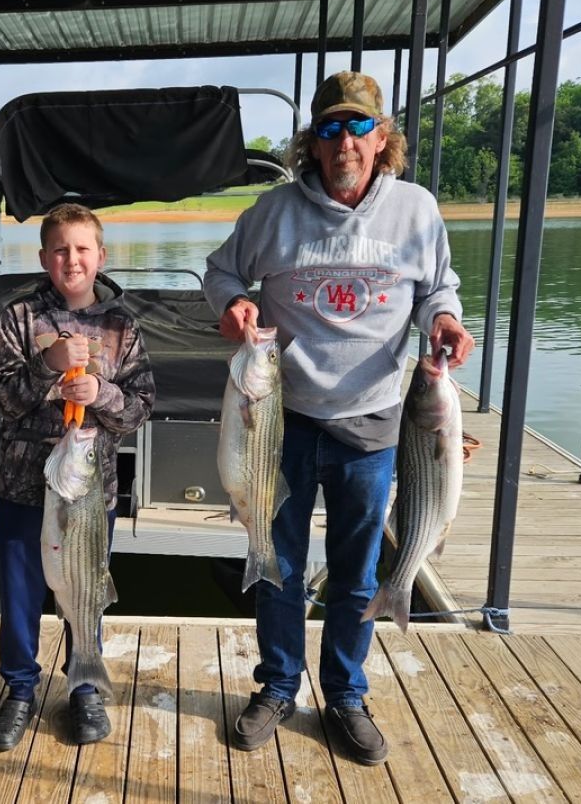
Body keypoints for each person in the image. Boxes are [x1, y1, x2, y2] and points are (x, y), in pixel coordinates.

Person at [202, 71, 474, 764]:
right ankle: (278, 685)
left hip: (375, 422)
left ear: (382, 140)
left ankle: (346, 694)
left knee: (357, 572)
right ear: (312, 143)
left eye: (358, 128)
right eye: (330, 129)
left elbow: (439, 287)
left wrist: (444, 318)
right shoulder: (274, 212)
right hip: (282, 420)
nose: (345, 141)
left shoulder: (416, 210)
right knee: (278, 564)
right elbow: (221, 272)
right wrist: (232, 305)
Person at [0, 203, 155, 750]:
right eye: (60, 249)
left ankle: (84, 685)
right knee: (19, 595)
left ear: (101, 256)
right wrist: (47, 366)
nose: (71, 259)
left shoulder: (122, 325)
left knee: (85, 588)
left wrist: (101, 393)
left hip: (85, 495)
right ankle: (19, 691)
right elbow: (1, 399)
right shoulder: (19, 317)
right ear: (43, 258)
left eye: (82, 249)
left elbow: (142, 405)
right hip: (21, 489)